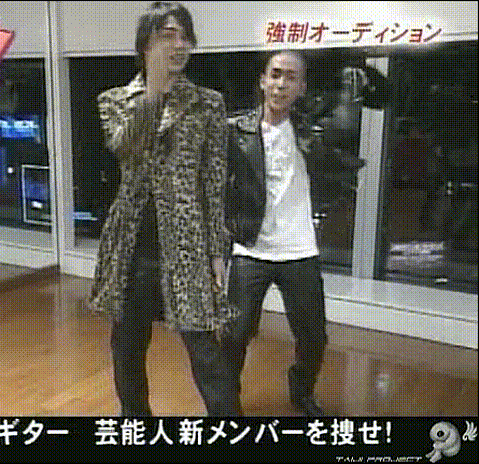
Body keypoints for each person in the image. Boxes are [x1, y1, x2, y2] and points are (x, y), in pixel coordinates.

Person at [89, 1, 240, 416]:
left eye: (185, 37)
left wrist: (217, 249)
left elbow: (214, 182)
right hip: (133, 243)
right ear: (145, 45)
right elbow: (125, 148)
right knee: (127, 345)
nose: (179, 45)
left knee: (205, 348)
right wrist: (153, 93)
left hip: (187, 241)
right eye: (167, 36)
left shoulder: (208, 104)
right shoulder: (115, 100)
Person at [222, 50, 364, 416]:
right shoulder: (235, 131)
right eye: (275, 74)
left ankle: (301, 390)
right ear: (262, 80)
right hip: (250, 249)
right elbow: (216, 184)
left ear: (301, 88)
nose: (280, 84)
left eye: (291, 78)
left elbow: (346, 160)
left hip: (299, 250)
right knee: (235, 334)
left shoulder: (314, 132)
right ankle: (226, 400)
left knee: (314, 337)